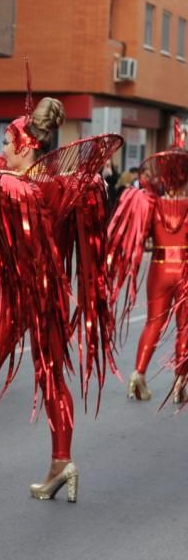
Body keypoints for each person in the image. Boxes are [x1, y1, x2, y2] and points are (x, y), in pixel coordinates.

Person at [0, 97, 120, 502]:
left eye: (6, 142)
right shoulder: (70, 187)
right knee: (53, 375)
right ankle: (63, 461)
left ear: (24, 145)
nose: (1, 151)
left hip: (10, 293)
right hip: (50, 294)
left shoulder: (1, 187)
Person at [108, 123, 188, 403]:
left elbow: (139, 238)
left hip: (158, 266)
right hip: (185, 268)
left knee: (153, 322)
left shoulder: (149, 203)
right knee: (185, 326)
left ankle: (138, 374)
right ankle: (180, 382)